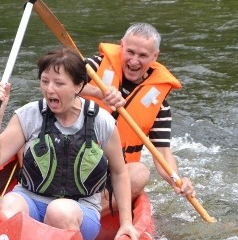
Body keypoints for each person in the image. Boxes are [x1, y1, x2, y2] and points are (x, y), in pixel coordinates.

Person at [0, 47, 140, 240]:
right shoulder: (29, 114)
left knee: (59, 211)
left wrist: (126, 223)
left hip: (79, 211)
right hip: (30, 199)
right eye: (45, 81)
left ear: (78, 86)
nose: (50, 90)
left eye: (59, 83)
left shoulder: (102, 121)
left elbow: (119, 173)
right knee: (9, 205)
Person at [82, 22, 195, 210]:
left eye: (142, 55)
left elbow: (163, 153)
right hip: (72, 154)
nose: (134, 61)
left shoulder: (159, 106)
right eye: (130, 52)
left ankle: (89, 213)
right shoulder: (95, 66)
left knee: (140, 173)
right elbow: (60, 86)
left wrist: (178, 181)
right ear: (121, 46)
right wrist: (98, 92)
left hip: (110, 172)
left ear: (154, 56)